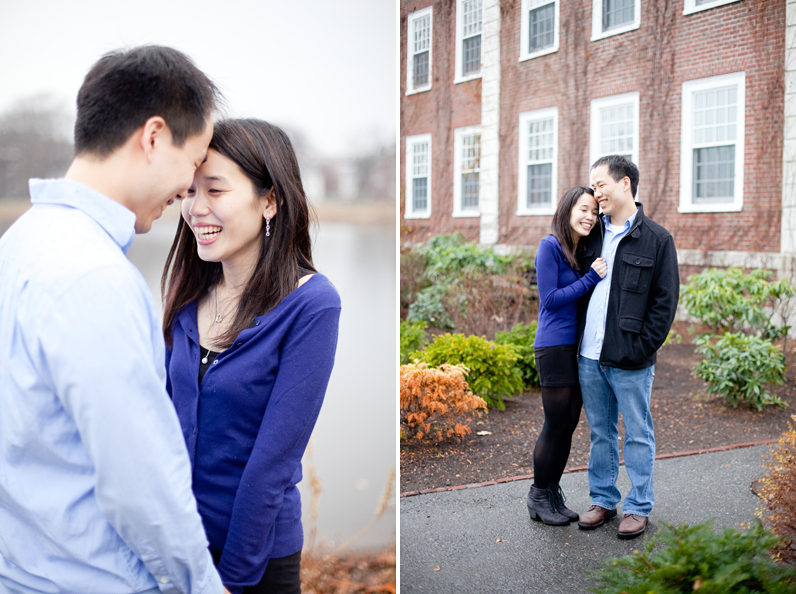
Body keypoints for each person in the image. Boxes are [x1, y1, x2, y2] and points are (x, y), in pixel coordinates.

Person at [0, 46, 229, 593]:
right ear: (153, 137)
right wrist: (201, 585)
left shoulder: (18, 244)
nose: (188, 188)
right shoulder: (96, 278)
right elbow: (141, 483)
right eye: (192, 159)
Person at [162, 118, 341, 594]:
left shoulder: (311, 304)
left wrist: (232, 581)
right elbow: (160, 425)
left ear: (270, 200)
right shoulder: (188, 293)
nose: (196, 209)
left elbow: (273, 464)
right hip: (178, 547)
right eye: (188, 192)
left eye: (215, 191)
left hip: (256, 559)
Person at [576, 155, 679, 539]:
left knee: (638, 432)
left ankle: (638, 506)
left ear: (625, 184)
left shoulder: (657, 239)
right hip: (589, 355)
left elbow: (664, 303)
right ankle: (603, 499)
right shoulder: (591, 235)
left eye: (600, 184)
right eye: (592, 185)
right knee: (600, 432)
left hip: (630, 358)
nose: (595, 192)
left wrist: (642, 347)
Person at [526, 187, 607, 526]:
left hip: (571, 348)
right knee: (555, 424)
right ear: (567, 211)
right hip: (553, 346)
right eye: (583, 210)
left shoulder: (576, 250)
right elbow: (551, 299)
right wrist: (591, 278)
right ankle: (537, 495)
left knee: (569, 423)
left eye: (594, 212)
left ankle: (552, 493)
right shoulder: (550, 246)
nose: (589, 217)